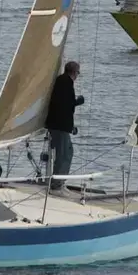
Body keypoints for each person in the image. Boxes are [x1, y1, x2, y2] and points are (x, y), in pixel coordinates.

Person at [44, 61, 85, 196]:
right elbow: (64, 104)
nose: (78, 75)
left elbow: (63, 104)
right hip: (59, 126)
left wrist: (70, 127)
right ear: (74, 72)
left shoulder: (63, 81)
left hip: (60, 126)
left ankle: (60, 183)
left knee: (68, 152)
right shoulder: (65, 82)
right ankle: (56, 186)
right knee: (63, 155)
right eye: (78, 72)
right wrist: (78, 101)